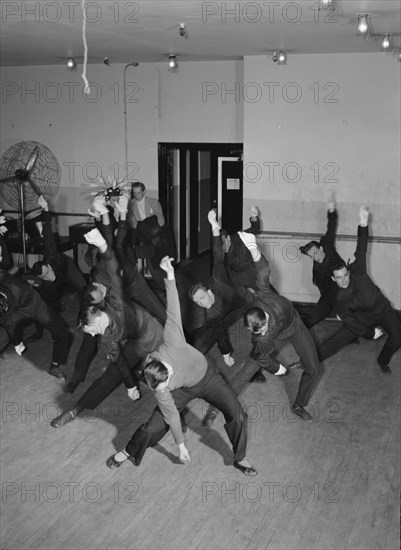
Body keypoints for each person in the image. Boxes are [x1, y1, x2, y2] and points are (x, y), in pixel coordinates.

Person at [106, 256, 257, 476]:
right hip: (183, 390)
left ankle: (240, 457)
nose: (163, 389)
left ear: (166, 370)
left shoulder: (172, 340)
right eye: (160, 389)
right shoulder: (160, 386)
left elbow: (172, 307)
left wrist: (169, 274)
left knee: (238, 415)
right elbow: (172, 416)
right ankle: (129, 451)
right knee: (152, 426)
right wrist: (181, 445)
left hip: (208, 379)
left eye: (165, 384)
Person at [50, 227, 164, 428]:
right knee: (109, 376)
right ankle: (75, 409)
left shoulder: (115, 300)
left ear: (97, 311)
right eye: (94, 331)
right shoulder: (105, 338)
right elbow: (120, 363)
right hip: (136, 343)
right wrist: (129, 386)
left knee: (172, 371)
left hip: (153, 332)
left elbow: (111, 263)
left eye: (95, 327)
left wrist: (102, 243)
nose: (97, 332)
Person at [64, 194, 167, 394]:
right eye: (99, 291)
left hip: (135, 285)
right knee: (89, 342)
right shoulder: (96, 285)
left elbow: (111, 237)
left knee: (159, 313)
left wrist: (118, 213)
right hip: (117, 296)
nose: (101, 289)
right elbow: (107, 238)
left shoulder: (115, 254)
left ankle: (182, 345)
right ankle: (76, 379)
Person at [329, 205, 401, 375]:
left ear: (348, 270)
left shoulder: (358, 268)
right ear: (334, 278)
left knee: (397, 338)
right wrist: (370, 333)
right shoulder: (339, 295)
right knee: (340, 337)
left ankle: (382, 360)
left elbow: (361, 246)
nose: (343, 279)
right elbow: (350, 319)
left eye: (344, 275)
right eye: (338, 277)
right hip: (364, 316)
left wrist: (363, 222)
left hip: (383, 310)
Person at [244, 291, 321, 422]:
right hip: (275, 331)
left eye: (262, 330)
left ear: (265, 319)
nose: (260, 334)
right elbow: (261, 355)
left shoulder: (281, 308)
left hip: (293, 326)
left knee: (314, 368)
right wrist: (276, 368)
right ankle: (253, 373)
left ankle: (299, 405)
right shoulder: (258, 329)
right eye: (256, 332)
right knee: (254, 359)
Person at [0, 270, 70, 380]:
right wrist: (17, 343)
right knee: (4, 335)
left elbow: (9, 324)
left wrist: (17, 343)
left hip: (35, 305)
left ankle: (55, 367)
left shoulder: (18, 290)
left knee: (62, 332)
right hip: (15, 310)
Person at [32, 196, 86, 312]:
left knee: (82, 288)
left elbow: (47, 233)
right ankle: (58, 307)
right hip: (54, 282)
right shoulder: (46, 282)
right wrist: (35, 286)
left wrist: (45, 208)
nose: (48, 277)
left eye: (47, 273)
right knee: (49, 295)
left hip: (66, 267)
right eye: (44, 277)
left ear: (47, 266)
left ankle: (85, 313)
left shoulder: (50, 254)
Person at [127, 181, 173, 293]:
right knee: (151, 266)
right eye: (134, 193)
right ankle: (165, 288)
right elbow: (133, 224)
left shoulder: (153, 202)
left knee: (158, 266)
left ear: (144, 191)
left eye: (139, 192)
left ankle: (168, 287)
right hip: (143, 240)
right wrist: (149, 221)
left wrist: (142, 224)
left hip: (157, 239)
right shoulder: (130, 205)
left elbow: (161, 222)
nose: (137, 195)